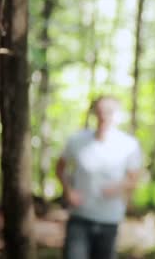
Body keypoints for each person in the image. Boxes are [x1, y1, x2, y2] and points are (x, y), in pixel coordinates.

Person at [55, 95, 142, 259]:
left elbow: (134, 178)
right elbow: (60, 168)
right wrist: (68, 191)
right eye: (100, 111)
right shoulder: (77, 140)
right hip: (79, 217)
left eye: (109, 112)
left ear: (118, 115)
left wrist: (118, 187)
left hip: (109, 219)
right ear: (95, 113)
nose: (104, 116)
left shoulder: (129, 144)